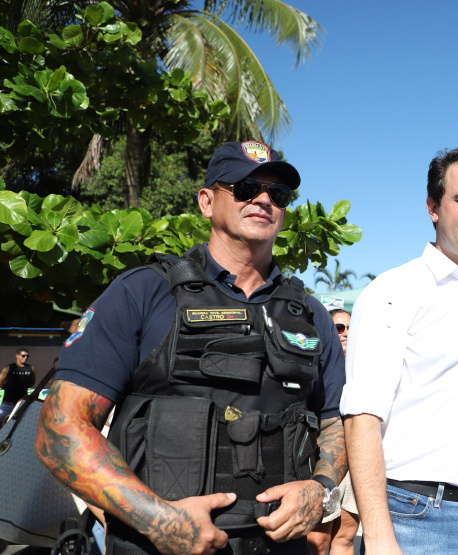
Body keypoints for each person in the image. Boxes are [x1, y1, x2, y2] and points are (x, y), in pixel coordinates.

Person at [35, 141, 348, 555]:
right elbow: (60, 430)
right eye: (244, 187)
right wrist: (159, 520)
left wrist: (321, 489)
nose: (262, 200)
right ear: (206, 201)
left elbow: (336, 421)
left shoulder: (310, 314)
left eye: (278, 194)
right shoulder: (144, 292)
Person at [341, 147, 458, 555]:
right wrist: (377, 536)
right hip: (418, 520)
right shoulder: (392, 292)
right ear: (433, 208)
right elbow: (361, 421)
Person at [308, 309, 361, 555]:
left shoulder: (363, 367)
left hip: (358, 455)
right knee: (317, 541)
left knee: (346, 536)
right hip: (324, 455)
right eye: (339, 328)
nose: (346, 333)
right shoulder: (314, 361)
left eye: (351, 328)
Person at [0, 347, 34, 423]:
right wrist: (8, 388)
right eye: (23, 355)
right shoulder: (9, 367)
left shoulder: (30, 368)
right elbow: (0, 382)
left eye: (27, 356)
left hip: (21, 404)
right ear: (17, 356)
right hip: (8, 402)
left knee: (20, 424)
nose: (25, 358)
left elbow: (32, 382)